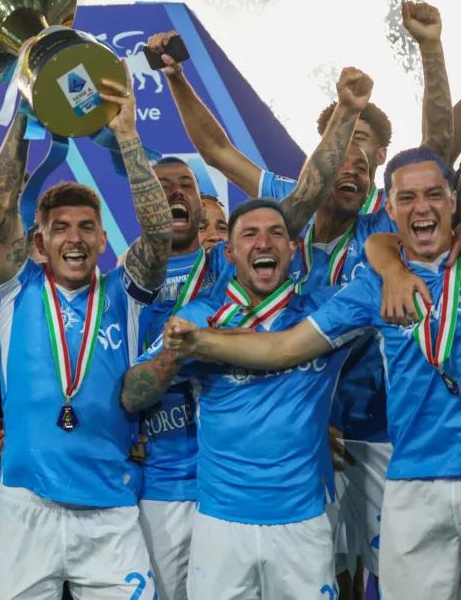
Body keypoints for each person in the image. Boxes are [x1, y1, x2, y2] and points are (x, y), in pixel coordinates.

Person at [161, 147, 461, 600]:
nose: (422, 207)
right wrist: (198, 342)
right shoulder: (371, 286)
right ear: (388, 208)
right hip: (415, 478)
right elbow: (284, 348)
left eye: (435, 195)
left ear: (453, 200)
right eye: (408, 198)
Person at [0, 61, 171, 599]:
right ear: (39, 242)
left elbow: (158, 236)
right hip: (24, 506)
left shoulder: (123, 295)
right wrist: (20, 118)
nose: (74, 236)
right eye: (59, 227)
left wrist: (129, 138)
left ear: (103, 240)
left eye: (87, 227)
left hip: (109, 511)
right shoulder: (18, 288)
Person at [130, 197, 361, 600]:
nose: (264, 243)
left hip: (302, 524)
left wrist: (389, 260)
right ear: (230, 252)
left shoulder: (323, 311)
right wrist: (172, 357)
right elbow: (133, 393)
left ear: (294, 249)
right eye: (249, 234)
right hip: (220, 526)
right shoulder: (201, 315)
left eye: (276, 233)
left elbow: (387, 274)